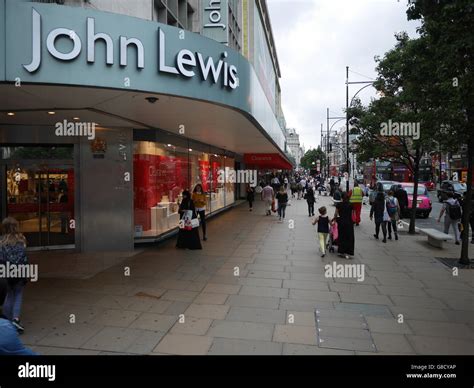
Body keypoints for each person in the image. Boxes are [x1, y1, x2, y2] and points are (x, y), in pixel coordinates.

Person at [0, 217, 29, 333]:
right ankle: (15, 319)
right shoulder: (22, 239)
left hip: (6, 271)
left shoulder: (1, 241)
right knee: (18, 295)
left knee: (9, 295)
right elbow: (24, 257)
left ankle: (6, 320)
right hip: (20, 271)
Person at [332, 193, 354, 259]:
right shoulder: (351, 205)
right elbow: (353, 214)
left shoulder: (339, 204)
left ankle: (342, 251)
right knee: (349, 237)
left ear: (342, 198)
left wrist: (334, 219)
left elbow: (336, 214)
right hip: (349, 222)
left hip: (341, 222)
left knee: (342, 236)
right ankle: (349, 252)